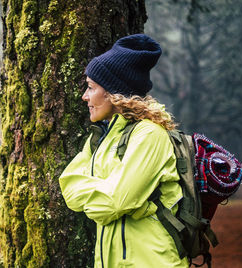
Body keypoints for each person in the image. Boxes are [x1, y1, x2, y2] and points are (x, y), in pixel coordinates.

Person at [59, 34, 189, 268]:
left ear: (113, 92)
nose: (84, 96)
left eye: (91, 87)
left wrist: (105, 196)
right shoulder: (101, 137)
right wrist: (113, 196)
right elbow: (68, 185)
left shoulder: (149, 135)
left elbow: (114, 202)